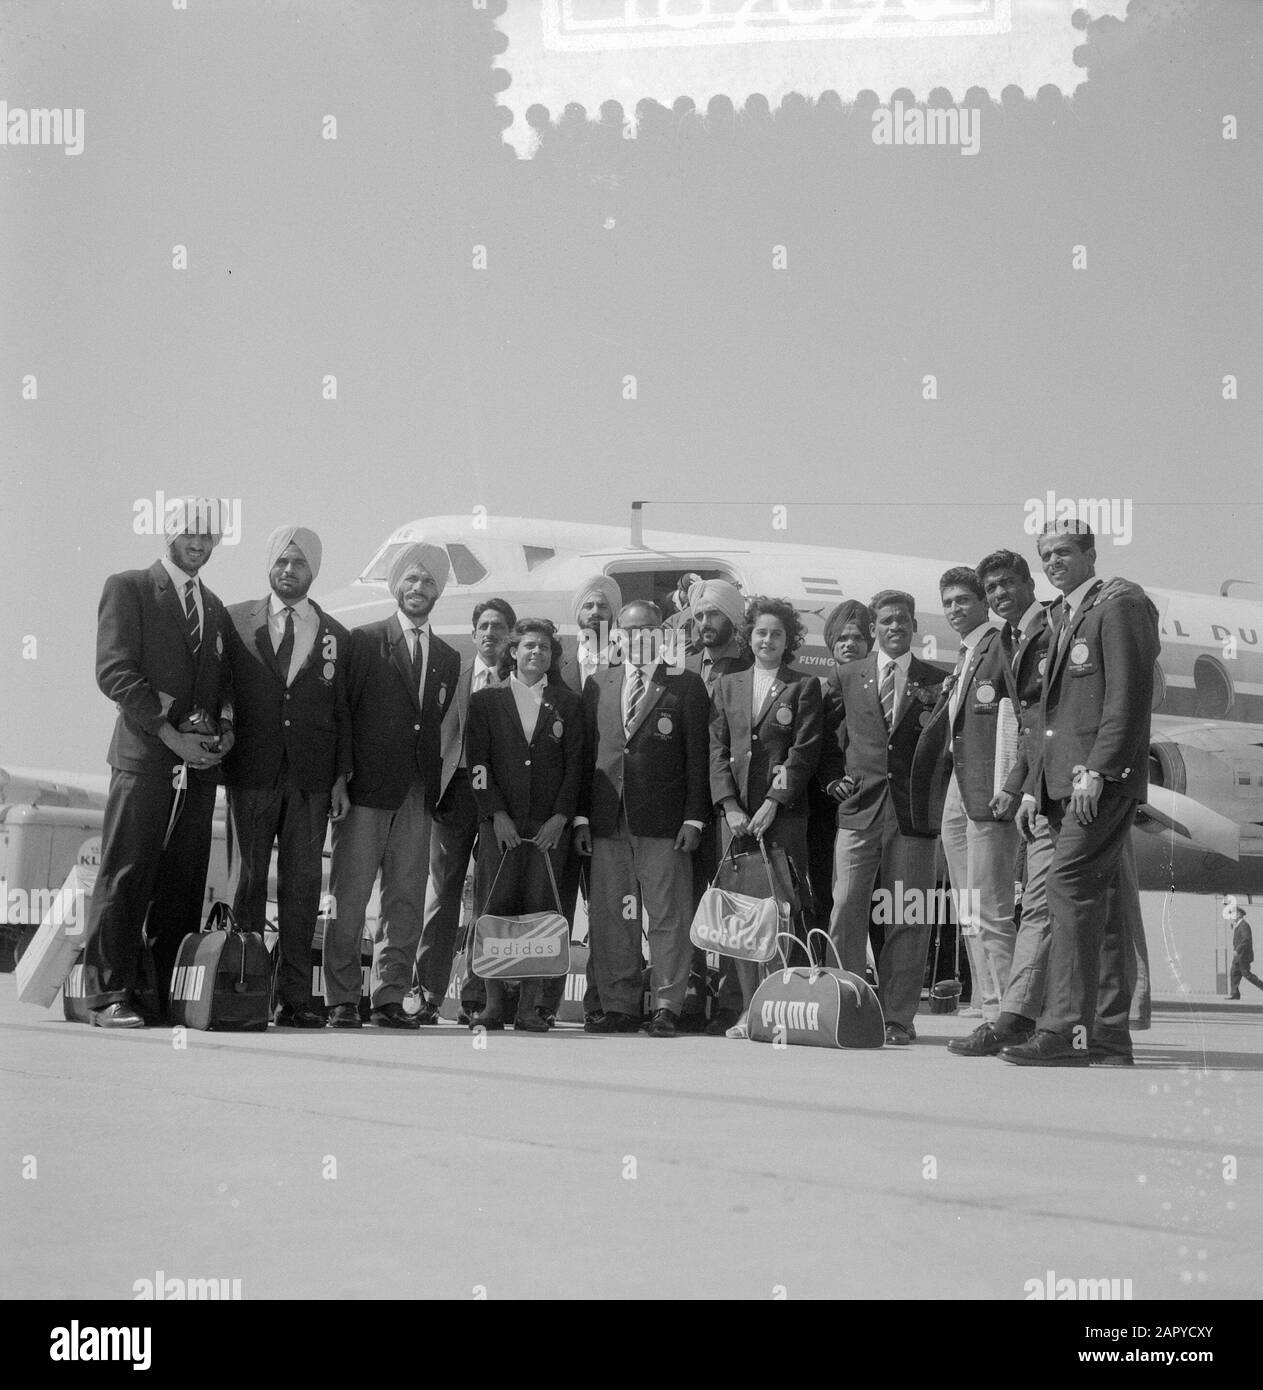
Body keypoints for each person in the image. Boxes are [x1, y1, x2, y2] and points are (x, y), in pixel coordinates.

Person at [1002, 522, 1160, 1067]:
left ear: (1091, 555)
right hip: (1059, 783)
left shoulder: (1118, 605)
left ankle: (1063, 1030)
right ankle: (1110, 1039)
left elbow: (1130, 695)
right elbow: (1045, 715)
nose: (1053, 561)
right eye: (1045, 554)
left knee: (1067, 886)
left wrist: (1100, 769)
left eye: (1064, 552)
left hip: (1096, 781)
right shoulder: (1062, 614)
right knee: (1107, 905)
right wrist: (1029, 790)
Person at [79, 499, 235, 1027]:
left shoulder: (215, 609)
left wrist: (226, 734)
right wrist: (171, 735)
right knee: (125, 874)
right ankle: (108, 996)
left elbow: (226, 686)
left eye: (208, 537)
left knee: (183, 883)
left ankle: (161, 996)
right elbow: (115, 671)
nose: (199, 543)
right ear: (167, 533)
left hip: (198, 770)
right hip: (145, 759)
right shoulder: (128, 588)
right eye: (189, 533)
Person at [222, 527, 352, 1028]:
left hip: (311, 782)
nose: (288, 571)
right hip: (251, 773)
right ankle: (242, 987)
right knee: (246, 884)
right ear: (269, 566)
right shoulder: (234, 621)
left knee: (301, 890)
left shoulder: (337, 635)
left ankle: (294, 999)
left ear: (312, 570)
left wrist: (340, 777)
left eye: (298, 563)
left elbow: (341, 713)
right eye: (281, 561)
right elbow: (222, 689)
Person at [327, 544, 460, 1029]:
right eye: (411, 579)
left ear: (437, 592)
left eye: (427, 582)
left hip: (417, 794)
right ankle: (342, 998)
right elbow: (342, 713)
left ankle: (388, 997)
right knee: (352, 895)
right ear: (397, 586)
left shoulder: (446, 657)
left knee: (404, 899)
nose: (419, 588)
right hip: (365, 790)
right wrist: (340, 778)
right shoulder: (363, 642)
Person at [575, 600, 710, 1037]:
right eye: (630, 631)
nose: (639, 638)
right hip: (608, 820)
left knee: (669, 917)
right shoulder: (598, 684)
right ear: (616, 636)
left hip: (665, 824)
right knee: (613, 916)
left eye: (649, 629)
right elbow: (586, 757)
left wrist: (694, 818)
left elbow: (698, 759)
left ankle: (667, 1005)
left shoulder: (685, 685)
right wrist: (580, 817)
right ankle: (620, 1006)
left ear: (662, 634)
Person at [818, 589, 946, 1045]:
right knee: (847, 907)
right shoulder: (846, 676)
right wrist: (832, 780)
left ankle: (898, 1017)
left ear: (915, 627)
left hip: (913, 817)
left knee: (908, 916)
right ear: (874, 628)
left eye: (903, 620)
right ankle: (848, 1003)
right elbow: (827, 739)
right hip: (859, 811)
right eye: (886, 620)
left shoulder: (938, 681)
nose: (895, 626)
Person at [709, 598, 822, 1038]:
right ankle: (745, 1009)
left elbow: (803, 752)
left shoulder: (804, 686)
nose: (768, 640)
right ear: (749, 636)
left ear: (788, 640)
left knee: (778, 913)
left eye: (777, 634)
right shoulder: (727, 684)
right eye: (761, 632)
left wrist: (774, 801)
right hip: (735, 821)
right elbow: (717, 751)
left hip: (780, 819)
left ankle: (773, 1006)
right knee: (741, 919)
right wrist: (730, 806)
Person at [465, 619, 584, 1030]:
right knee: (494, 912)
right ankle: (494, 1003)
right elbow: (477, 765)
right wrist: (495, 814)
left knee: (541, 916)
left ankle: (531, 1006)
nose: (537, 653)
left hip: (548, 831)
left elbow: (576, 768)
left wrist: (560, 818)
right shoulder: (486, 701)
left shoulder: (568, 704)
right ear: (513, 652)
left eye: (545, 648)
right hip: (501, 828)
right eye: (529, 646)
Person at [912, 568, 1017, 1030]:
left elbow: (1020, 716)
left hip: (987, 784)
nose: (955, 608)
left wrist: (1010, 784)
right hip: (959, 780)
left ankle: (1014, 1008)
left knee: (990, 903)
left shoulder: (1001, 645)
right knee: (968, 903)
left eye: (963, 600)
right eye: (948, 601)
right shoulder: (968, 652)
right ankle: (988, 999)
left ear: (984, 602)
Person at [413, 598, 517, 1025]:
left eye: (499, 627)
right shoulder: (453, 678)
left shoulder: (524, 682)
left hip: (499, 797)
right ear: (474, 634)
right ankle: (429, 992)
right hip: (456, 790)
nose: (490, 633)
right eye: (484, 626)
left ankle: (476, 994)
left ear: (511, 635)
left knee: (489, 897)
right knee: (444, 892)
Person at [685, 577, 753, 1034]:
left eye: (712, 615)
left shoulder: (752, 665)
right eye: (699, 616)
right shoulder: (684, 665)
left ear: (732, 618)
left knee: (732, 903)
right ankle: (690, 993)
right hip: (686, 804)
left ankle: (732, 999)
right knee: (688, 903)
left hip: (733, 805)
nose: (704, 623)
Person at [559, 574, 624, 1026]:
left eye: (603, 607)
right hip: (558, 802)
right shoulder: (555, 661)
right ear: (577, 615)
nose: (595, 614)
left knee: (605, 908)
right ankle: (540, 1000)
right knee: (557, 904)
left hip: (607, 801)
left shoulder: (627, 662)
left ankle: (601, 1002)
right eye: (588, 607)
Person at [808, 601, 873, 939]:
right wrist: (831, 780)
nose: (850, 644)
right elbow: (813, 744)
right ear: (831, 644)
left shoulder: (882, 688)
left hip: (872, 808)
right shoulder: (817, 693)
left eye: (859, 637)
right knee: (826, 894)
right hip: (824, 810)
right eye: (843, 638)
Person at [1228, 904, 1262, 998]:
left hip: (1243, 956)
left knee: (1246, 974)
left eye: (1233, 914)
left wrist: (1237, 950)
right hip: (1238, 956)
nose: (1232, 916)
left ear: (1239, 915)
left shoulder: (1244, 925)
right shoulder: (1239, 926)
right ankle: (1235, 994)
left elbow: (1246, 940)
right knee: (1234, 973)